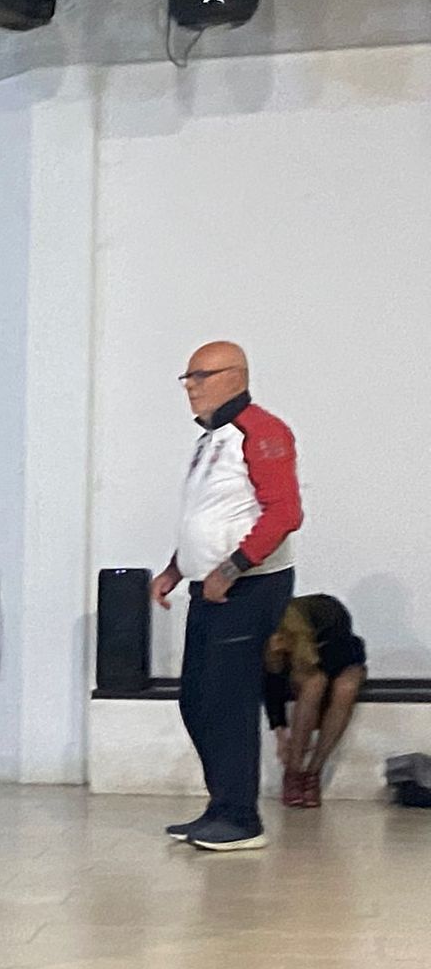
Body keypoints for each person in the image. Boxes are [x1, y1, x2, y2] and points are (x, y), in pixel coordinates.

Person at [151, 342, 302, 852]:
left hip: (248, 587)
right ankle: (221, 807)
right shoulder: (210, 439)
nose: (190, 385)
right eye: (187, 376)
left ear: (235, 376)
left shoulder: (262, 431)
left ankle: (241, 819)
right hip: (211, 586)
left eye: (201, 375)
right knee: (198, 699)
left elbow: (284, 513)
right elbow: (209, 515)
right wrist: (176, 568)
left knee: (228, 701)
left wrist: (234, 567)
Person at [265, 594, 366, 808]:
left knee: (344, 688)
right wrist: (281, 733)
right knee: (314, 683)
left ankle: (313, 772)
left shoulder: (328, 614)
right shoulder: (270, 628)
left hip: (341, 656)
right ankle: (293, 772)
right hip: (308, 663)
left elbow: (341, 659)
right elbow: (271, 683)